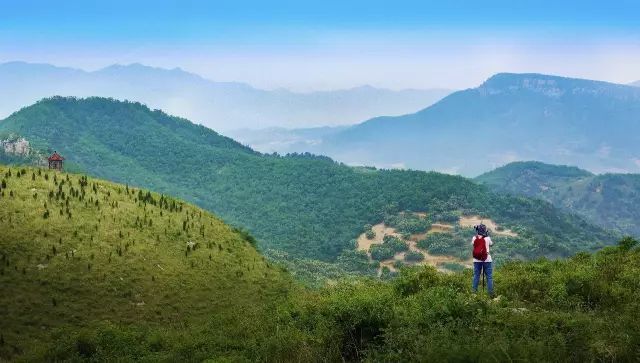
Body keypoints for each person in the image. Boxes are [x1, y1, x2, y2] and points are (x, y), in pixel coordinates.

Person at [471, 224, 494, 297]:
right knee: (489, 277)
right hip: (487, 259)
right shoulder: (488, 238)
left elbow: (473, 244)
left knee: (476, 276)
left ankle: (474, 293)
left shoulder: (474, 238)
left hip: (476, 260)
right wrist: (487, 235)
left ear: (478, 230)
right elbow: (491, 244)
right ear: (485, 230)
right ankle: (490, 294)